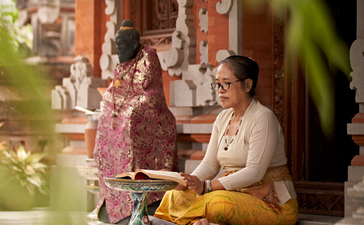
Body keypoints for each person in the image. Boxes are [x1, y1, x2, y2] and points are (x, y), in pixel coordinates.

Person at [153, 55, 298, 225]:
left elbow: (254, 171)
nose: (220, 90)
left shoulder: (263, 117)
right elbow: (210, 164)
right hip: (233, 193)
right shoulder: (223, 118)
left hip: (271, 203)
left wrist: (206, 186)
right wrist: (189, 182)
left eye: (226, 83)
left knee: (217, 203)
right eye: (217, 84)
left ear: (247, 85)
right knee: (174, 195)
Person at [93, 20, 178, 224]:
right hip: (126, 103)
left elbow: (146, 87)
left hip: (149, 111)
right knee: (106, 104)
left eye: (122, 47)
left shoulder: (148, 56)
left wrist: (124, 102)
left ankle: (143, 199)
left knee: (132, 113)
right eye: (117, 48)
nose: (120, 52)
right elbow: (117, 86)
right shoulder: (122, 65)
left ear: (133, 45)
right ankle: (113, 200)